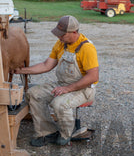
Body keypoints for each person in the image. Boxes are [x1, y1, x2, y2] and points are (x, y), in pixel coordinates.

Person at [14, 15, 99, 146]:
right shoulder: (61, 44)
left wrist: (67, 89)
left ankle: (66, 134)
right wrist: (21, 70)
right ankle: (47, 132)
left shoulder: (86, 48)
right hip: (63, 84)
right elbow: (46, 65)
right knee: (33, 93)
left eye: (62, 35)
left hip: (84, 89)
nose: (59, 37)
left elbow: (93, 77)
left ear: (74, 32)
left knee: (59, 103)